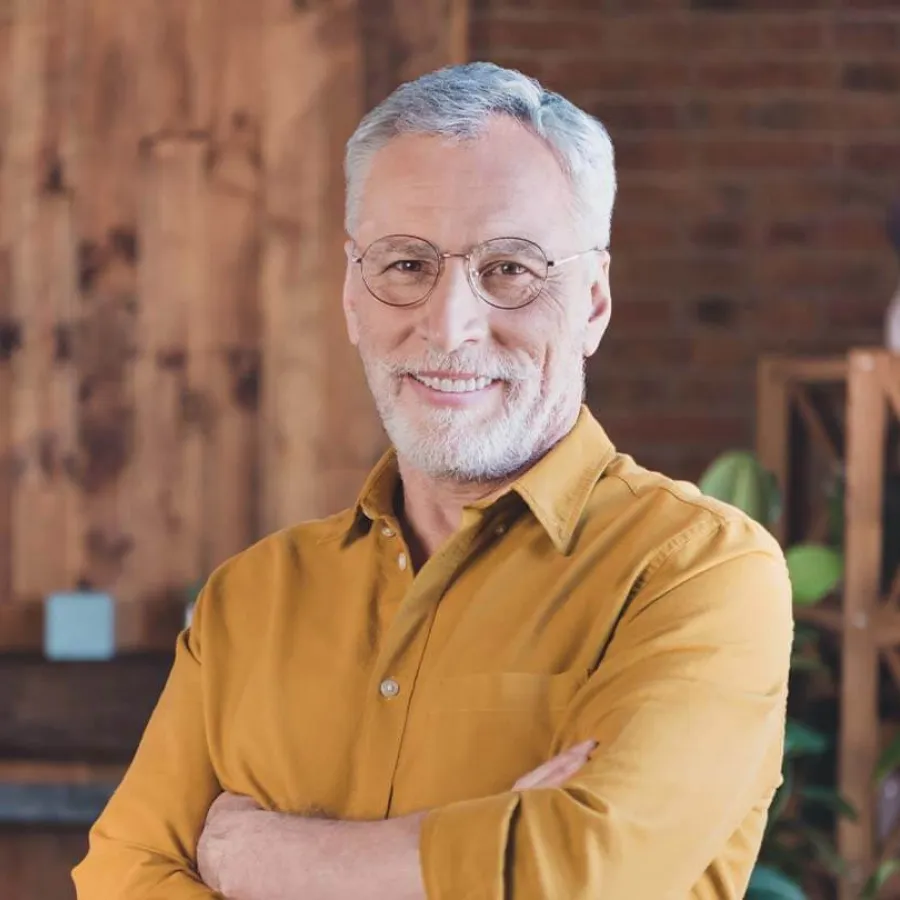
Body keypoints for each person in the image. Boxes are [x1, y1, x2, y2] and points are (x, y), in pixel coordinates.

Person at [72, 62, 792, 900]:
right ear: (353, 295)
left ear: (593, 302)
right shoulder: (250, 599)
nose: (450, 327)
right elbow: (120, 875)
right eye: (407, 264)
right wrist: (490, 854)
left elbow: (581, 874)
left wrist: (261, 859)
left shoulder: (697, 572)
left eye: (510, 268)